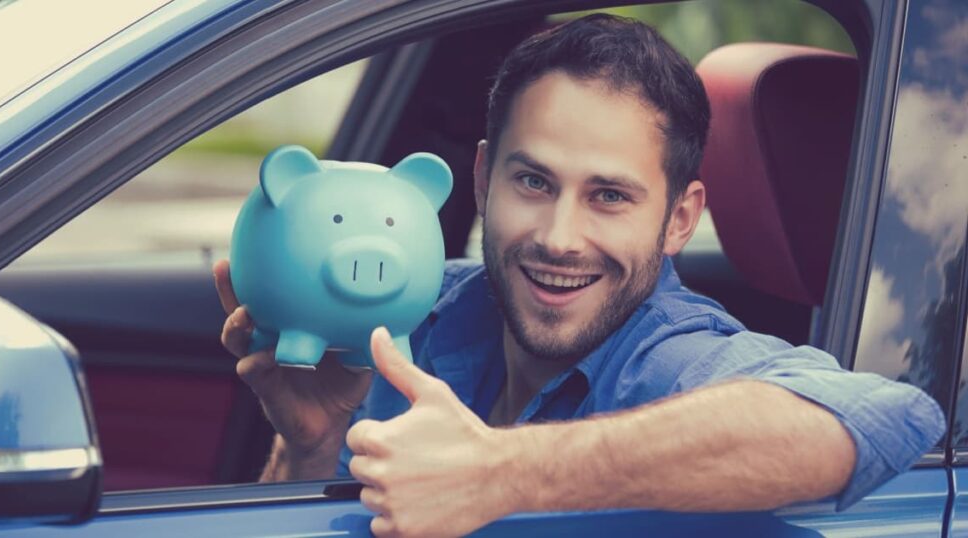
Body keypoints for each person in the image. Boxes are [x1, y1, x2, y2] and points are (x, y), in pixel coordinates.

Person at [214, 14, 944, 538]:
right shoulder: (411, 312)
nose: (560, 239)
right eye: (533, 182)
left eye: (610, 196)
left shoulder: (674, 355)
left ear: (680, 220)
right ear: (480, 178)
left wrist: (501, 473)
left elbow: (884, 416)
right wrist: (307, 447)